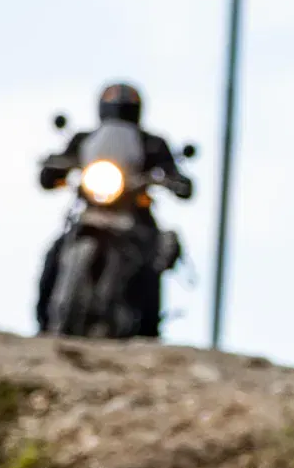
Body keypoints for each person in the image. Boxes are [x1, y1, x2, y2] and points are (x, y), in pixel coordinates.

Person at [36, 83, 192, 336]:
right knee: (55, 253)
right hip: (92, 210)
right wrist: (54, 169)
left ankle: (148, 330)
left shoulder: (152, 144)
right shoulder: (84, 140)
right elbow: (51, 173)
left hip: (135, 216)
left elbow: (176, 176)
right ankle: (44, 323)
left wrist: (174, 181)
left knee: (152, 262)